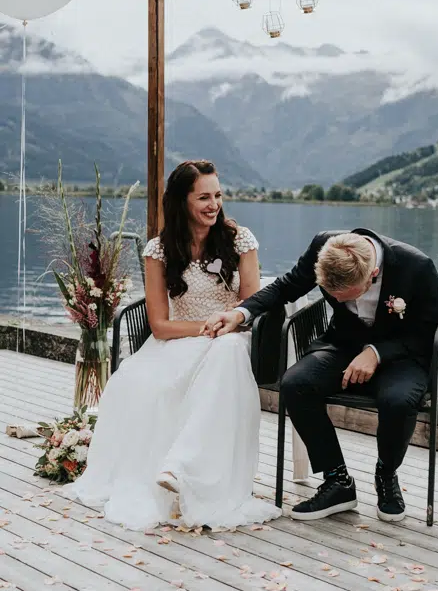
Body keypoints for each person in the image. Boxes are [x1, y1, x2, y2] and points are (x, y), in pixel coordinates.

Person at [64, 160, 281, 532]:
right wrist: (206, 328)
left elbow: (251, 304)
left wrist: (225, 326)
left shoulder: (239, 240)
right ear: (181, 202)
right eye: (203, 197)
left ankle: (181, 467)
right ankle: (162, 474)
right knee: (138, 381)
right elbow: (160, 326)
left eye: (217, 195)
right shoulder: (159, 250)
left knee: (227, 353)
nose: (214, 204)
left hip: (232, 338)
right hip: (182, 338)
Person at [206, 230, 438, 523]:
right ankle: (337, 480)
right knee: (296, 384)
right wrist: (240, 313)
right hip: (343, 345)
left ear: (373, 274)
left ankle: (386, 473)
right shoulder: (324, 246)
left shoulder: (416, 267)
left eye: (344, 296)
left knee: (397, 401)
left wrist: (376, 353)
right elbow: (287, 286)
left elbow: (428, 332)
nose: (336, 300)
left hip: (401, 356)